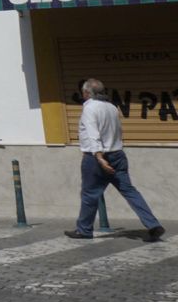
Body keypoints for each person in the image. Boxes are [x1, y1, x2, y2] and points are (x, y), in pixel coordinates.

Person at [65, 78, 164, 242]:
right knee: (130, 191)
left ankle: (84, 230)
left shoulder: (90, 108)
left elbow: (93, 134)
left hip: (97, 157)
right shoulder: (111, 107)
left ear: (86, 93)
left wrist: (99, 158)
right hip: (118, 154)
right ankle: (153, 225)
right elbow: (116, 131)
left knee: (90, 194)